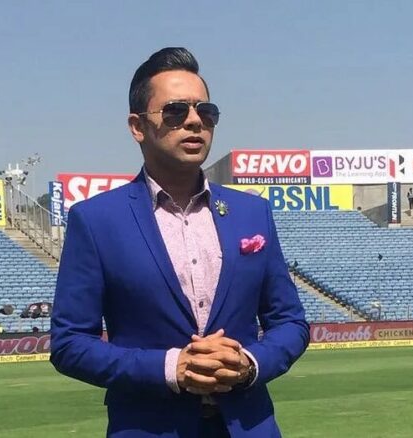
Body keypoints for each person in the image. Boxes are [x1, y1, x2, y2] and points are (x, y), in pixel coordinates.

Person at [50, 47, 309, 437]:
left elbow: (290, 322)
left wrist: (248, 364)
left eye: (206, 111)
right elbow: (69, 343)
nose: (194, 121)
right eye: (175, 111)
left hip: (249, 427)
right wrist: (171, 368)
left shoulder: (252, 213)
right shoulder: (96, 220)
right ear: (138, 126)